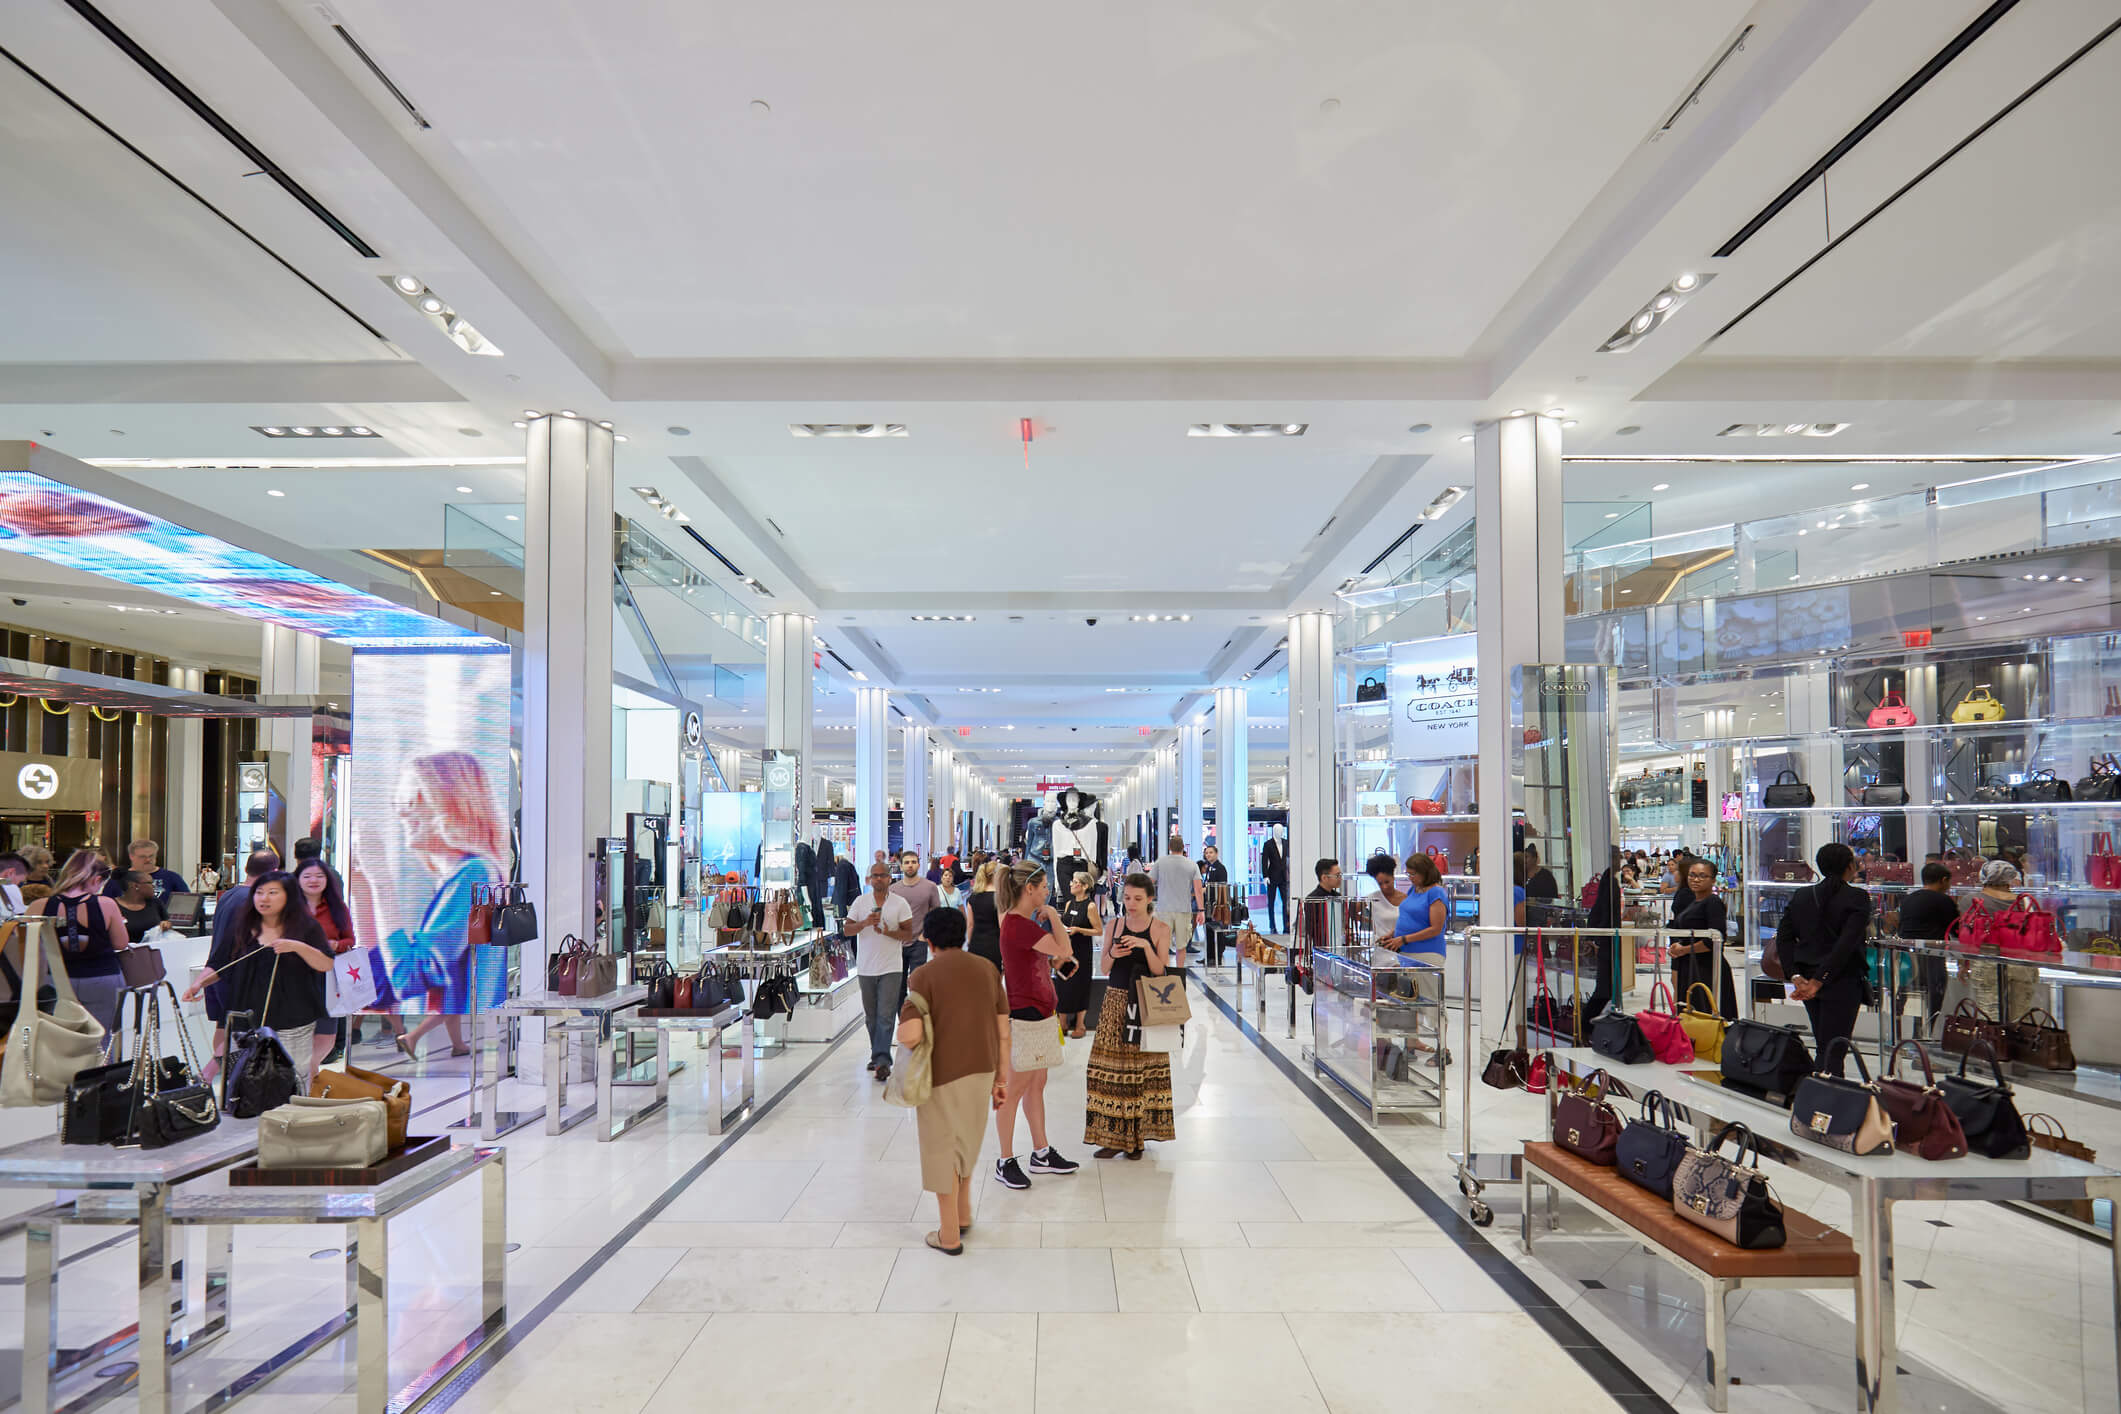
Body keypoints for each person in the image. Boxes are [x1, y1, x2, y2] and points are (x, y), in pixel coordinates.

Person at [348, 752, 505, 1062]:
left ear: (448, 803)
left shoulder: (473, 874)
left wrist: (379, 879)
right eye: (398, 803)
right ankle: (449, 1042)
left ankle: (426, 1038)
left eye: (410, 800)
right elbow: (381, 970)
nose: (402, 813)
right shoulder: (455, 877)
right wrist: (362, 882)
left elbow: (407, 978)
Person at [899, 908, 1009, 1255]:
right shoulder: (988, 969)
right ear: (963, 933)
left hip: (942, 1073)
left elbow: (912, 1035)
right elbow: (1003, 1030)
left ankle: (949, 1234)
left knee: (941, 1148)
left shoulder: (923, 975)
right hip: (983, 1068)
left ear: (929, 941)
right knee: (965, 1143)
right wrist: (1001, 1079)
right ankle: (963, 1213)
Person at [185, 870, 334, 1090]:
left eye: (273, 893)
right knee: (246, 1076)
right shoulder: (242, 927)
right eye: (259, 892)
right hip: (246, 1013)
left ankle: (292, 1115)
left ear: (289, 897)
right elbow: (219, 964)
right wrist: (200, 983)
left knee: (295, 1075)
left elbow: (326, 964)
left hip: (294, 1016)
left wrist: (296, 946)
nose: (264, 898)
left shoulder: (306, 928)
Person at [992, 862, 1081, 1189]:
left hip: (1039, 1011)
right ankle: (1005, 1159)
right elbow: (1064, 951)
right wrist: (1055, 916)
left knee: (1035, 1084)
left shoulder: (1021, 923)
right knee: (1014, 1090)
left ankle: (1041, 1152)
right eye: (1044, 886)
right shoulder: (1019, 925)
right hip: (1025, 1012)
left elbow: (1055, 958)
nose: (1047, 891)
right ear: (1029, 889)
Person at [1084, 872, 1175, 1159]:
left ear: (1150, 899)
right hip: (1116, 1000)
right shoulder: (1115, 924)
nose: (1131, 904)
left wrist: (1145, 946)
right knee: (1111, 1068)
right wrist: (1115, 951)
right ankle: (1112, 1136)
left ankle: (1137, 1138)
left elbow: (1161, 970)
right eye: (1126, 898)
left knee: (1142, 1071)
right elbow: (1106, 966)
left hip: (1147, 1003)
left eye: (1137, 899)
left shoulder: (1160, 928)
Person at [1773, 842, 1872, 1077]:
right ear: (1850, 866)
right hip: (1841, 980)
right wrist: (1820, 980)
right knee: (1834, 1047)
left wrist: (1797, 976)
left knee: (1824, 1044)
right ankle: (1827, 1099)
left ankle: (1819, 1094)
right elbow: (1846, 944)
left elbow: (1784, 938)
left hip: (1808, 977)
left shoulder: (1803, 895)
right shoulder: (1857, 897)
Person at [33, 849, 133, 1036]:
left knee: (60, 1038)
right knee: (101, 1039)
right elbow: (121, 943)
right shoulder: (107, 904)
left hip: (56, 980)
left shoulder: (39, 906)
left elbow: (26, 945)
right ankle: (101, 1067)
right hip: (102, 977)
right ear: (96, 880)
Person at [847, 859, 914, 1080]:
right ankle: (877, 1056)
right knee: (872, 1018)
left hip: (891, 967)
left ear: (889, 877)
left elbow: (908, 935)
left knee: (886, 1015)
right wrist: (864, 923)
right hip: (866, 967)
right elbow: (847, 930)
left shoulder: (900, 903)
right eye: (874, 876)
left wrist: (889, 932)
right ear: (869, 879)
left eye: (882, 875)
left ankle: (882, 1061)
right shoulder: (860, 902)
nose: (878, 879)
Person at [295, 857, 361, 1068]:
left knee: (325, 1037)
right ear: (297, 880)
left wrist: (336, 945)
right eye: (307, 876)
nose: (313, 880)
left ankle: (307, 1077)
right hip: (295, 977)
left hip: (329, 977)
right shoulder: (288, 908)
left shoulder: (337, 907)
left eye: (319, 876)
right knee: (297, 1035)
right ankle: (301, 1082)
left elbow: (350, 939)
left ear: (327, 880)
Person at [1959, 860, 2039, 1024]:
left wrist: (1963, 964)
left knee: (1990, 1018)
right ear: (2009, 877)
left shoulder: (1970, 900)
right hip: (2021, 963)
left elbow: (1966, 936)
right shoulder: (2024, 901)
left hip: (1987, 963)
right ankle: (2015, 1049)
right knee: (2020, 1019)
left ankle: (1996, 1049)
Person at [1669, 856, 1736, 1021]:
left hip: (1706, 968)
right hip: (1692, 965)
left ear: (1713, 880)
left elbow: (1715, 939)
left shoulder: (1712, 902)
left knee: (1705, 1016)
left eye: (1702, 876)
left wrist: (1683, 950)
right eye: (1692, 875)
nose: (1696, 880)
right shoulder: (1696, 901)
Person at [1897, 860, 1960, 1025]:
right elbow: (1956, 929)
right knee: (1934, 994)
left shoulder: (1909, 899)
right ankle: (1930, 1031)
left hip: (1907, 954)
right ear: (1943, 880)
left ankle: (1903, 1029)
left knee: (1908, 991)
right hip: (1932, 954)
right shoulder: (1943, 900)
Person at [1055, 866, 1100, 1037]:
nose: (1071, 884)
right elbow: (1067, 920)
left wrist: (1079, 930)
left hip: (1082, 951)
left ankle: (1080, 1024)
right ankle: (1063, 1021)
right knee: (1063, 984)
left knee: (1080, 985)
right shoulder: (1069, 904)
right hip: (1067, 950)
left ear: (1084, 886)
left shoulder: (1090, 907)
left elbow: (1098, 930)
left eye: (1075, 882)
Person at [1150, 836, 1203, 963]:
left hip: (1164, 909)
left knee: (1163, 945)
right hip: (1183, 910)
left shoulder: (1160, 862)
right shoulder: (1192, 865)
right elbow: (1198, 890)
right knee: (1182, 946)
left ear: (1169, 847)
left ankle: (1164, 972)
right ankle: (1179, 973)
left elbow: (1149, 882)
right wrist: (1201, 910)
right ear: (1183, 847)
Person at [893, 849, 944, 977]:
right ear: (901, 866)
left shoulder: (930, 886)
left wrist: (925, 935)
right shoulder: (893, 890)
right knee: (899, 986)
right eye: (907, 862)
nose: (910, 865)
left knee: (917, 983)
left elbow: (936, 913)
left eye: (913, 862)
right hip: (898, 943)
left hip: (919, 942)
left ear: (918, 865)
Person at [103, 840, 187, 902]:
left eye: (151, 856)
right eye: (142, 857)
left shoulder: (172, 877)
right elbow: (105, 904)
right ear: (131, 856)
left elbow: (186, 902)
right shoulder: (119, 878)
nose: (148, 860)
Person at [963, 861, 1003, 973]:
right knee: (994, 983)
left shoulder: (973, 897)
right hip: (994, 945)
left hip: (975, 944)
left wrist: (970, 943)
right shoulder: (1000, 899)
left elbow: (970, 925)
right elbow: (1002, 926)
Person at [1364, 854, 1406, 955]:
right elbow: (1353, 913)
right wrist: (1370, 922)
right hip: (1379, 951)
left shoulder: (1405, 899)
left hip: (1401, 950)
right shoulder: (1371, 898)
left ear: (1393, 877)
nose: (1384, 887)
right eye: (1380, 884)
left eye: (1387, 882)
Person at [112, 869, 167, 943]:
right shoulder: (112, 906)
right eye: (150, 883)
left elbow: (166, 920)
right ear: (136, 885)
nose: (154, 886)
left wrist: (166, 925)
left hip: (153, 950)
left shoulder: (155, 903)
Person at [1260, 825, 1290, 933]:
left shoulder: (1287, 843)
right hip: (1272, 877)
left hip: (1284, 878)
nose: (1279, 832)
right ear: (1273, 831)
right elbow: (1264, 861)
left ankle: (1286, 926)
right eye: (1277, 830)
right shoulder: (1268, 844)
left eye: (1281, 830)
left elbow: (1289, 859)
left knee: (1285, 903)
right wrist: (1265, 876)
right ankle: (1272, 926)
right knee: (1271, 903)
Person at [0, 853, 28, 920]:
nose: (19, 885)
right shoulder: (9, 886)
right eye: (21, 882)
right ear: (10, 873)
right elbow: (20, 919)